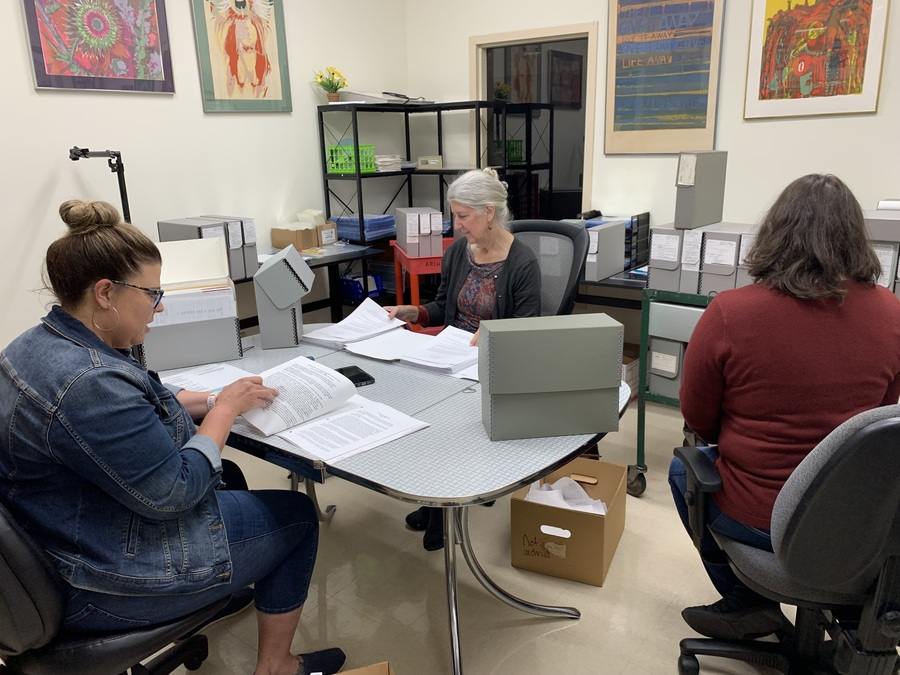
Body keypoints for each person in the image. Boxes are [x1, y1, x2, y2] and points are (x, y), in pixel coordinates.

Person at [0, 200, 345, 675]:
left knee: (234, 476)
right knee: (297, 517)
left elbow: (132, 407)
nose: (158, 308)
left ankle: (223, 590)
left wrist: (209, 397)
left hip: (54, 539)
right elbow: (175, 491)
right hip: (94, 584)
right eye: (152, 294)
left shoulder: (34, 346)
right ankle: (277, 665)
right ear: (105, 292)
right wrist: (222, 413)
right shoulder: (91, 382)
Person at [669, 174, 900, 642]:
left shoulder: (732, 312)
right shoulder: (892, 313)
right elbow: (882, 415)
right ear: (857, 238)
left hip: (759, 518)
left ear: (776, 233)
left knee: (684, 470)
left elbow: (697, 419)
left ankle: (747, 600)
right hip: (858, 523)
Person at [385, 167, 542, 551]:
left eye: (462, 216)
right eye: (454, 215)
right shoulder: (459, 251)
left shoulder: (522, 263)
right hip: (454, 354)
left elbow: (527, 330)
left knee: (447, 420)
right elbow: (443, 306)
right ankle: (431, 495)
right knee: (415, 405)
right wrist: (414, 312)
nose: (456, 224)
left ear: (488, 212)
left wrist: (488, 336)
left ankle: (442, 508)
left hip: (494, 363)